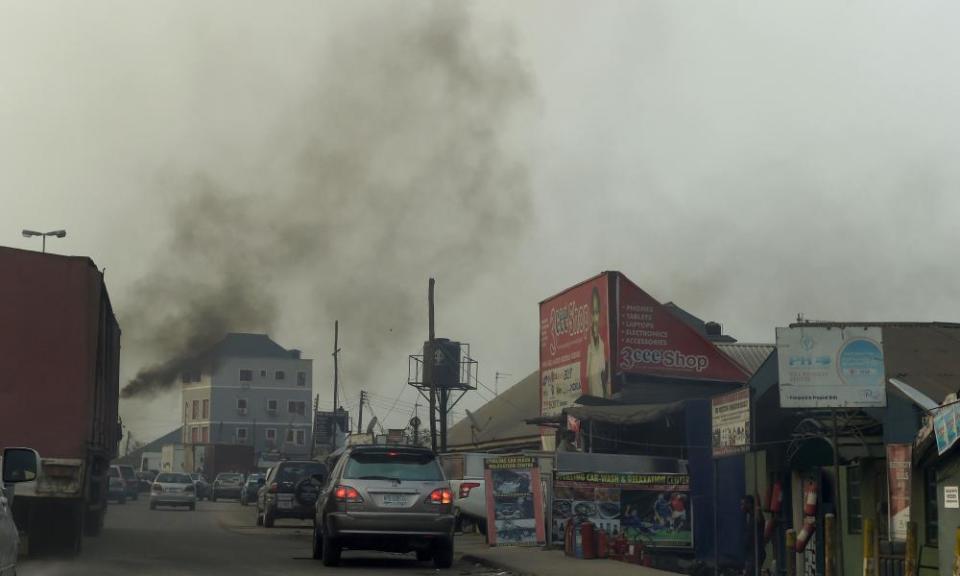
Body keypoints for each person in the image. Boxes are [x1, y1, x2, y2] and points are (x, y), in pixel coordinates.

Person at [585, 286, 609, 398]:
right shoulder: (587, 347)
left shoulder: (603, 345)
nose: (595, 318)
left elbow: (604, 376)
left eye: (597, 313)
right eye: (593, 313)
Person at [741, 495, 766, 576]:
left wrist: (758, 506)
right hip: (751, 554)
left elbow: (760, 519)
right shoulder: (750, 517)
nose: (741, 507)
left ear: (749, 504)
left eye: (743, 504)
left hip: (756, 553)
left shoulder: (757, 517)